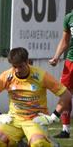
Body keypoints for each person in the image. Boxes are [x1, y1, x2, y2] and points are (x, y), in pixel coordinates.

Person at [0, 47, 72, 147]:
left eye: (20, 66)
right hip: (13, 120)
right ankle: (19, 144)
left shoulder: (41, 75)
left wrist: (53, 117)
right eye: (14, 67)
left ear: (27, 61)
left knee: (39, 144)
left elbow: (66, 95)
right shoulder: (7, 76)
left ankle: (51, 143)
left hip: (35, 120)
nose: (17, 70)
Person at [49, 10, 73, 138]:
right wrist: (56, 57)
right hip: (71, 62)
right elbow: (65, 41)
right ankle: (65, 130)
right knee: (65, 93)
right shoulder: (69, 18)